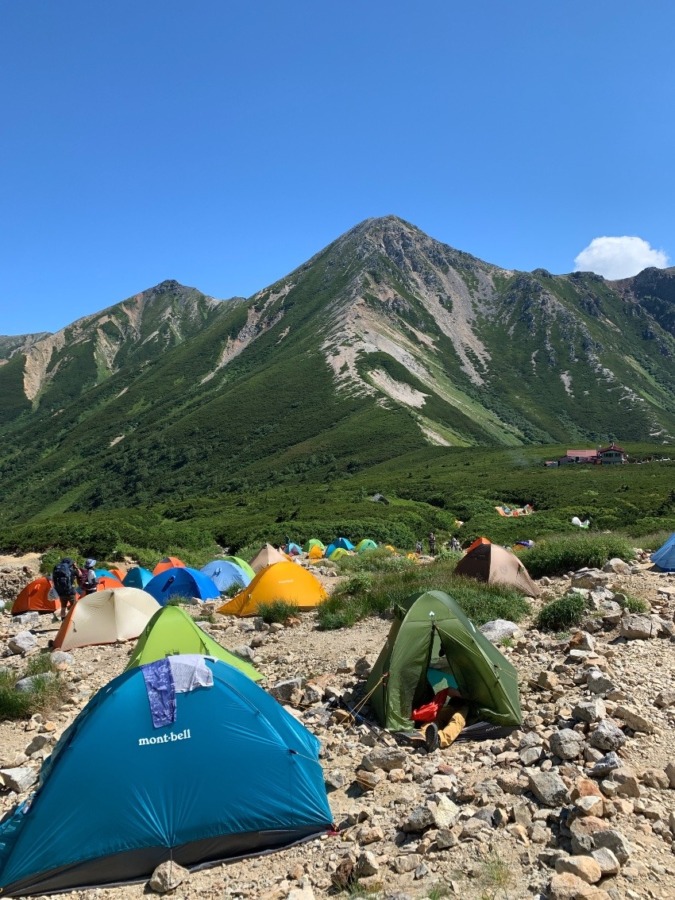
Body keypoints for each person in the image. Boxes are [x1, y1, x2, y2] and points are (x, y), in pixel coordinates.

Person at [411, 669, 469, 752]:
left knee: (457, 718)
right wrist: (455, 693)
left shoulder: (481, 687)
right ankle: (422, 735)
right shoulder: (463, 685)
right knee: (436, 717)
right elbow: (450, 691)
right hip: (452, 705)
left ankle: (439, 740)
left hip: (467, 708)